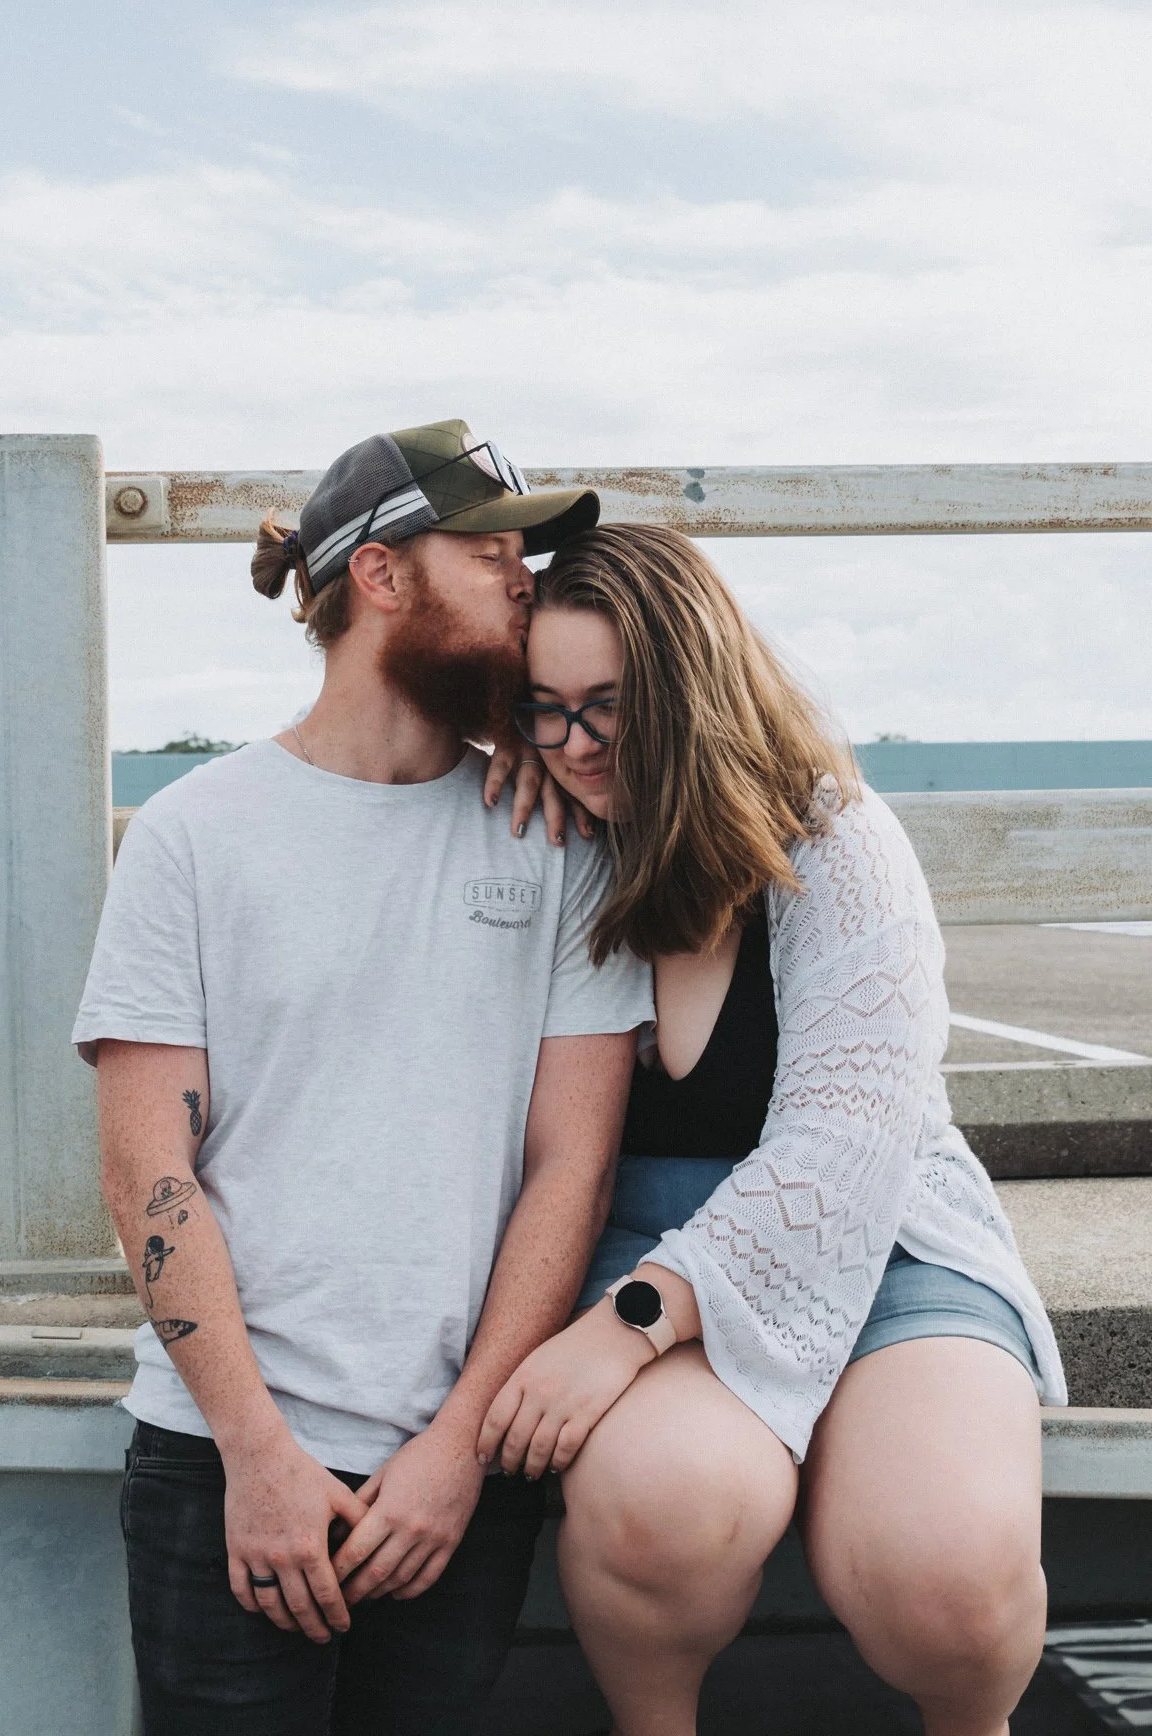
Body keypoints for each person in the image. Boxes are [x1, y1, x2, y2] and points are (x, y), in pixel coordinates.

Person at [73, 420, 653, 1736]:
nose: (525, 583)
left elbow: (572, 1164)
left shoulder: (556, 837)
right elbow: (145, 1169)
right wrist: (254, 1450)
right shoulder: (191, 837)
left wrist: (458, 1450)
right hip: (220, 1455)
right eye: (490, 552)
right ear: (382, 577)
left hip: (457, 1467)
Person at [479, 522, 1066, 1736]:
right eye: (544, 708)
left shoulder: (833, 840)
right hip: (636, 1228)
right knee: (660, 1504)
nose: (576, 746)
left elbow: (849, 1144)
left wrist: (628, 1325)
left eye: (608, 709)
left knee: (946, 1577)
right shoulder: (547, 833)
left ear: (693, 693)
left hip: (884, 1233)